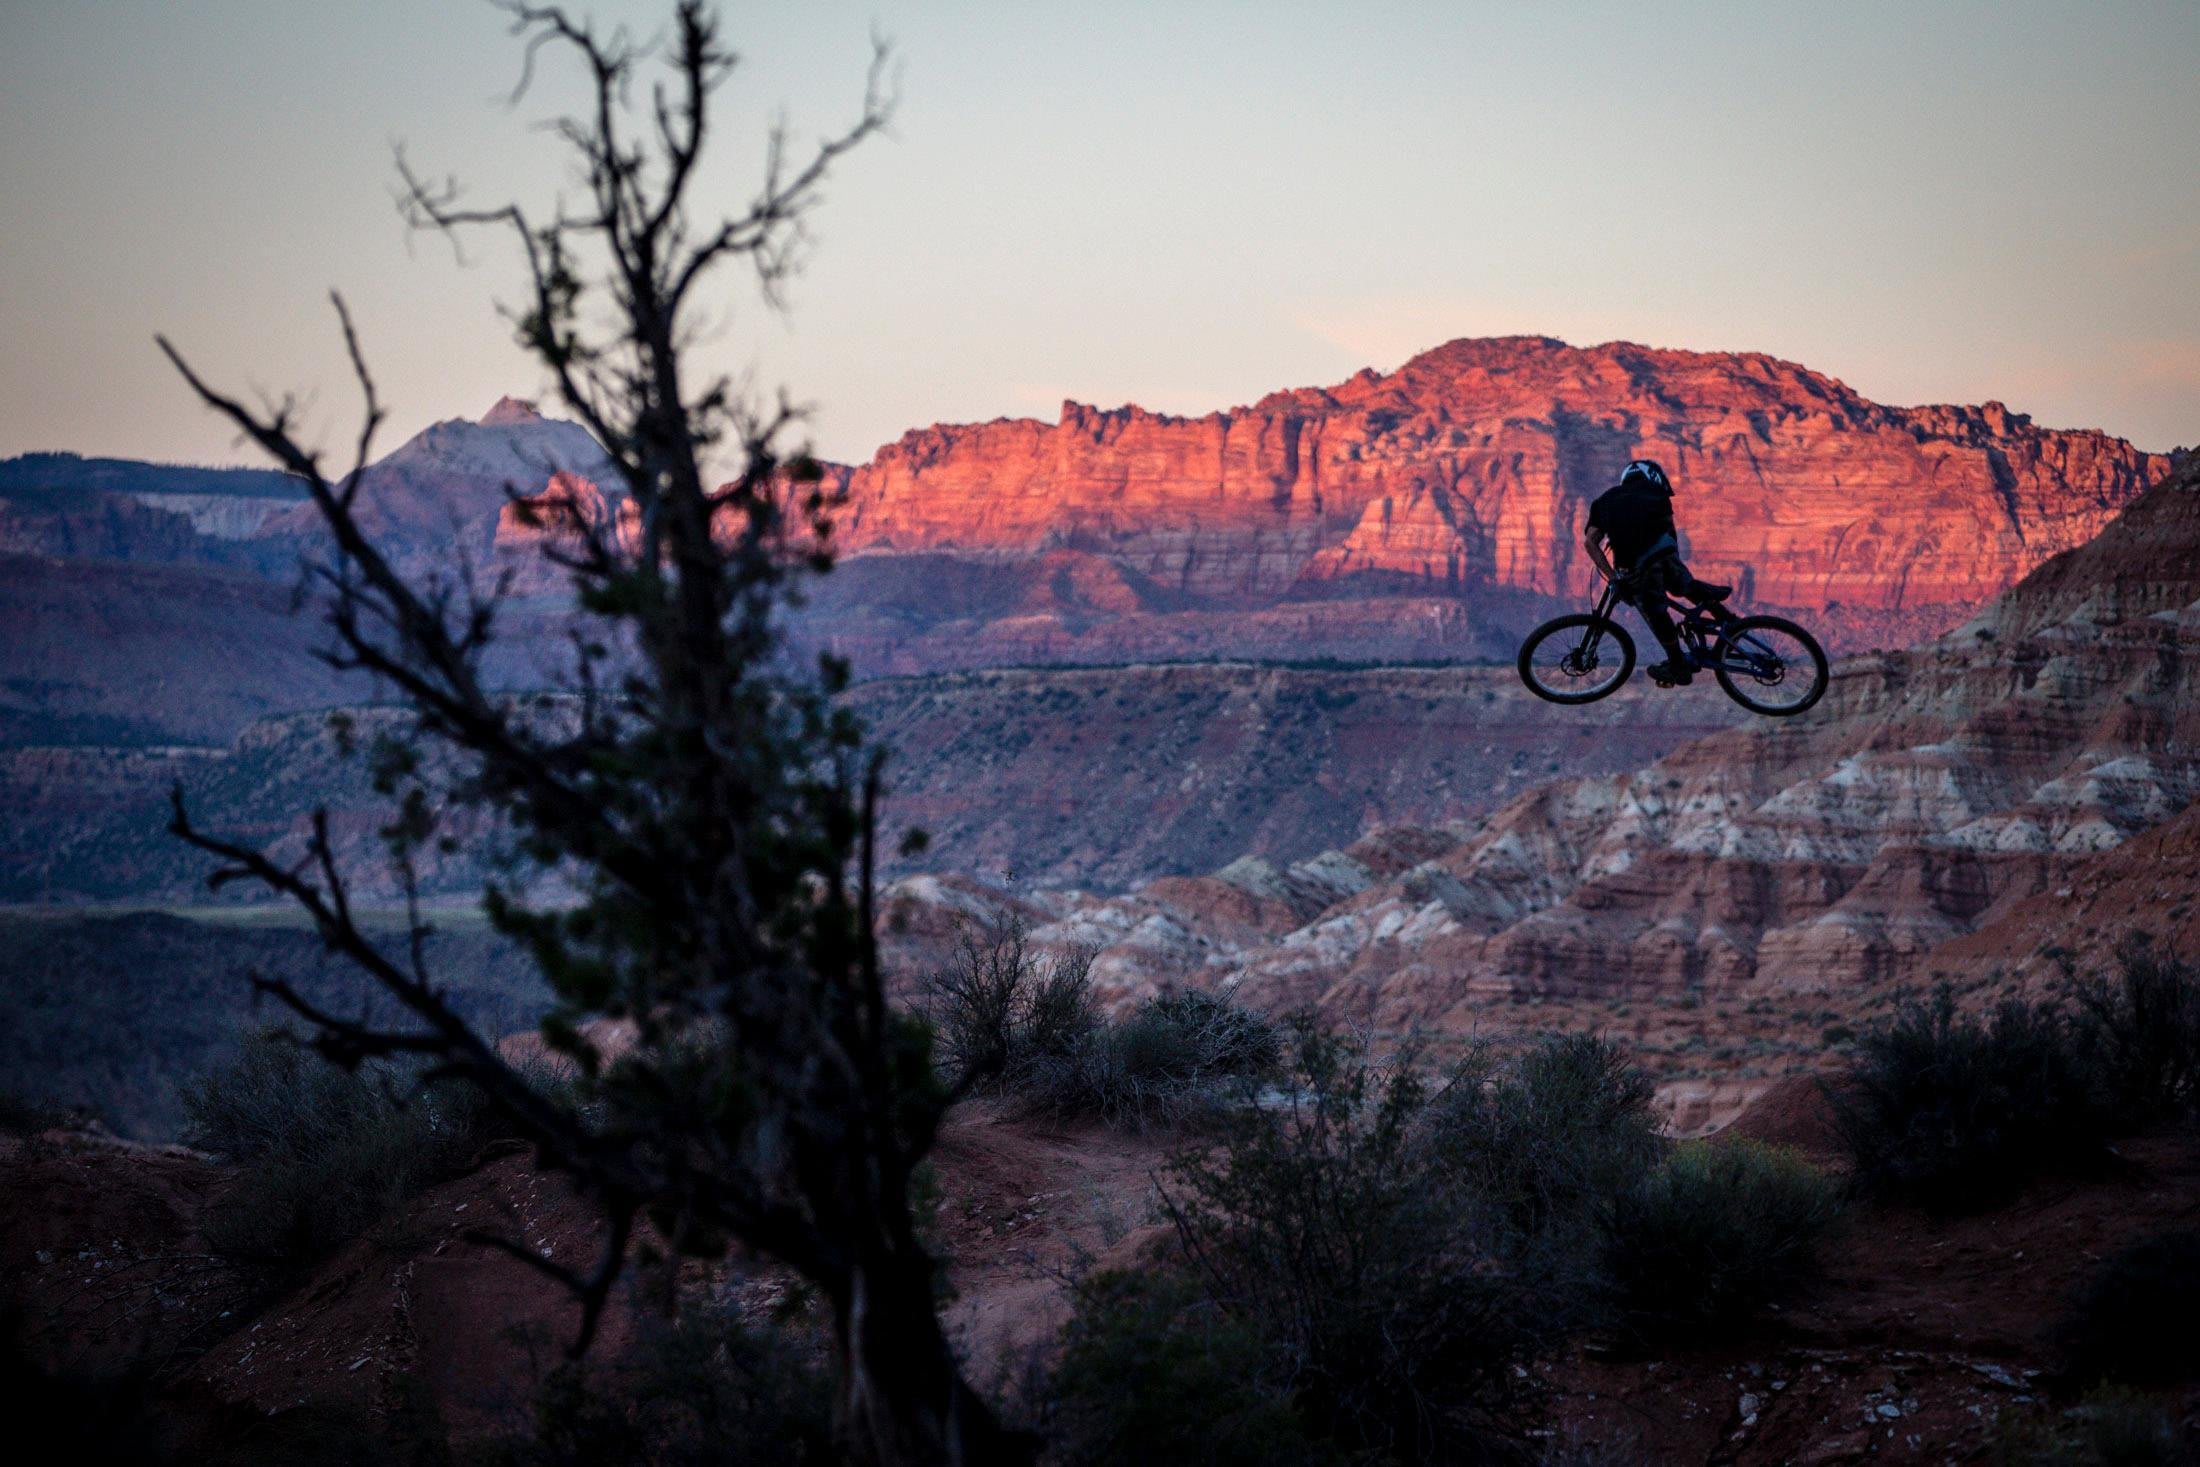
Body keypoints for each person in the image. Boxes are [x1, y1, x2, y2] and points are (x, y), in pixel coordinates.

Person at [1583, 459, 1731, 685]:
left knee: (1654, 611)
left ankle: (1678, 665)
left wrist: (1613, 578)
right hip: (1664, 553)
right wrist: (1675, 571)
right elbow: (1670, 534)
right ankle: (1727, 619)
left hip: (1635, 565)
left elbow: (1590, 543)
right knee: (1683, 585)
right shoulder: (1657, 494)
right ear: (1653, 478)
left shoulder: (1604, 501)